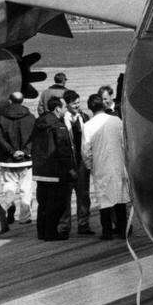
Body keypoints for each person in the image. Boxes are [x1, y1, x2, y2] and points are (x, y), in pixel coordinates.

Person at [82, 94, 129, 241]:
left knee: (104, 200)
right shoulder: (116, 120)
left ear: (90, 108)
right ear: (103, 106)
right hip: (117, 163)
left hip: (100, 166)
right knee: (120, 198)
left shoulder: (88, 125)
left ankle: (107, 231)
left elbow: (85, 150)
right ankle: (122, 230)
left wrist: (90, 166)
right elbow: (124, 142)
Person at [32, 95, 74, 241]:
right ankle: (51, 232)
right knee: (57, 203)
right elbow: (63, 150)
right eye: (63, 107)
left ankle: (41, 231)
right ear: (57, 109)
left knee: (43, 202)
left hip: (40, 171)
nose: (65, 109)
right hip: (55, 171)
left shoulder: (39, 122)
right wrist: (71, 169)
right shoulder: (58, 125)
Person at [0, 91, 36, 226]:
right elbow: (35, 138)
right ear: (22, 101)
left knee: (8, 187)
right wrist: (24, 151)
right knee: (26, 189)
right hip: (26, 161)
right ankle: (24, 217)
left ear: (10, 101)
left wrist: (12, 152)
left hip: (8, 161)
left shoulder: (1, 119)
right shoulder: (30, 118)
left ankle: (8, 208)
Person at [63, 90, 94, 235]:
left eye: (78, 102)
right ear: (67, 104)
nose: (77, 105)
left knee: (83, 195)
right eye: (74, 103)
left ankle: (83, 224)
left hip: (81, 162)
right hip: (68, 163)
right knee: (65, 197)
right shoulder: (62, 119)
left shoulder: (84, 117)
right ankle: (65, 226)